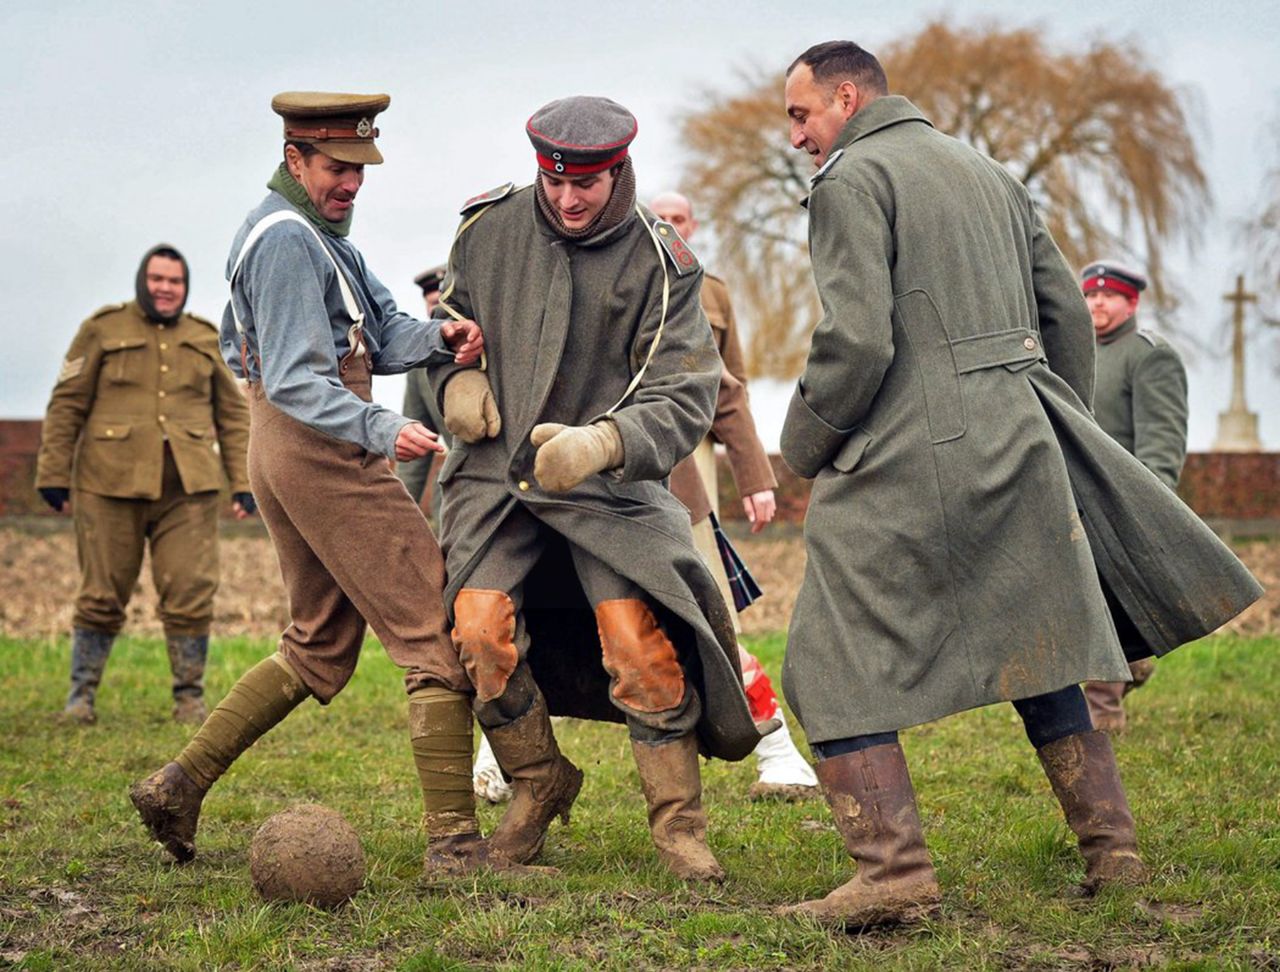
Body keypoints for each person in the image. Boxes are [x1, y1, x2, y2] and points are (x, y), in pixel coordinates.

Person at [777, 41, 1261, 927]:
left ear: (845, 98)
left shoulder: (851, 180)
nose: (799, 138)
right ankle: (1112, 852)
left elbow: (859, 344)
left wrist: (803, 443)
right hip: (1018, 431)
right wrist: (1045, 412)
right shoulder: (987, 171)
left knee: (824, 657)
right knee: (1039, 635)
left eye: (802, 116)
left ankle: (892, 873)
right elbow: (1064, 311)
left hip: (906, 450)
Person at [129, 91, 502, 877]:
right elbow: (300, 378)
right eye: (338, 168)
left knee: (318, 643)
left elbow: (384, 331)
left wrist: (442, 336)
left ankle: (177, 784)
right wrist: (379, 429)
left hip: (291, 449)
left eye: (362, 169)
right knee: (431, 629)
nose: (353, 184)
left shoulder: (324, 237)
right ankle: (458, 850)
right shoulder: (286, 241)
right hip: (321, 447)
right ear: (296, 158)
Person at [427, 95, 761, 881]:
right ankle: (539, 785)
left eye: (588, 184)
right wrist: (456, 383)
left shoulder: (665, 263)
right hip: (497, 480)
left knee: (636, 640)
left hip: (609, 491)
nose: (569, 199)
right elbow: (446, 327)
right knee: (476, 629)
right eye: (554, 182)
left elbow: (684, 395)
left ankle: (679, 830)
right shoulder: (487, 231)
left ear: (620, 171)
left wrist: (605, 442)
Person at [35, 244, 253, 726]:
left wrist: (243, 482)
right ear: (142, 280)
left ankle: (189, 699)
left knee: (191, 590)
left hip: (188, 492)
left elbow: (233, 415)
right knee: (102, 592)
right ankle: (81, 697)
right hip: (107, 485)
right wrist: (52, 473)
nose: (166, 288)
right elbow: (67, 402)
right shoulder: (102, 329)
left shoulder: (203, 337)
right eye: (157, 279)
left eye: (175, 281)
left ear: (185, 286)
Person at [649, 190, 817, 799]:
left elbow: (728, 385)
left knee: (711, 617)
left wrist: (754, 478)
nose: (669, 227)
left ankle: (777, 752)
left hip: (681, 473)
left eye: (681, 219)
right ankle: (499, 764)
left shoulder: (705, 291)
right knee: (541, 617)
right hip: (573, 485)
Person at [1080, 261, 1188, 733]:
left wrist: (1150, 505)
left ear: (1132, 302)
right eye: (1091, 295)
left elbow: (1162, 442)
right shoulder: (1076, 353)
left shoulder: (1150, 356)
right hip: (1076, 500)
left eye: (1110, 296)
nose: (1098, 303)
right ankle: (1135, 658)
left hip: (1122, 505)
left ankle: (1103, 715)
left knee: (1105, 601)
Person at [397, 264, 451, 524]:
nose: (438, 309)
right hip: (458, 496)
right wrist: (400, 518)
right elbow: (416, 451)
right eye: (432, 303)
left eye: (444, 301)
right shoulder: (421, 367)